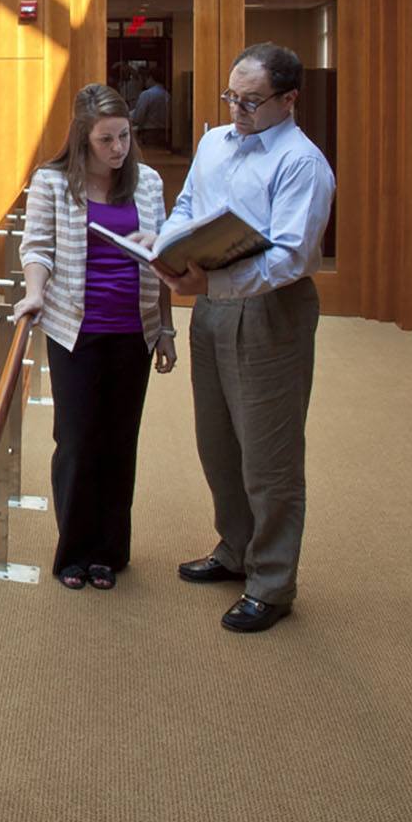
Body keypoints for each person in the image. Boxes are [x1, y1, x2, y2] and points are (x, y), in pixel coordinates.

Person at [156, 43, 335, 633]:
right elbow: (188, 202)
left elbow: (291, 256)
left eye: (253, 101)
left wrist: (216, 277)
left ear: (289, 99)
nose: (239, 110)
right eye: (233, 96)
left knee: (269, 452)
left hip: (269, 310)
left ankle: (273, 581)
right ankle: (235, 548)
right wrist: (172, 248)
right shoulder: (214, 142)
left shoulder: (302, 164)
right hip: (211, 303)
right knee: (218, 440)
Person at [13, 84, 176, 589]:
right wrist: (35, 293)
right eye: (105, 140)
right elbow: (37, 246)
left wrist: (166, 329)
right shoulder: (53, 181)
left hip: (135, 330)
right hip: (75, 330)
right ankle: (74, 551)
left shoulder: (147, 182)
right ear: (83, 139)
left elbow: (164, 260)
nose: (117, 149)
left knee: (119, 442)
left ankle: (109, 551)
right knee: (78, 441)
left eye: (124, 137)